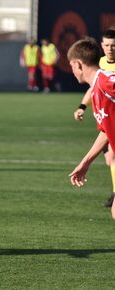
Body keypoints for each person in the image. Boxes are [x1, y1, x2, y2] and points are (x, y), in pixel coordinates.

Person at [68, 36, 115, 220]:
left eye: (71, 65)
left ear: (78, 64)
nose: (72, 70)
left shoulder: (105, 81)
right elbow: (105, 131)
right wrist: (85, 162)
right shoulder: (96, 90)